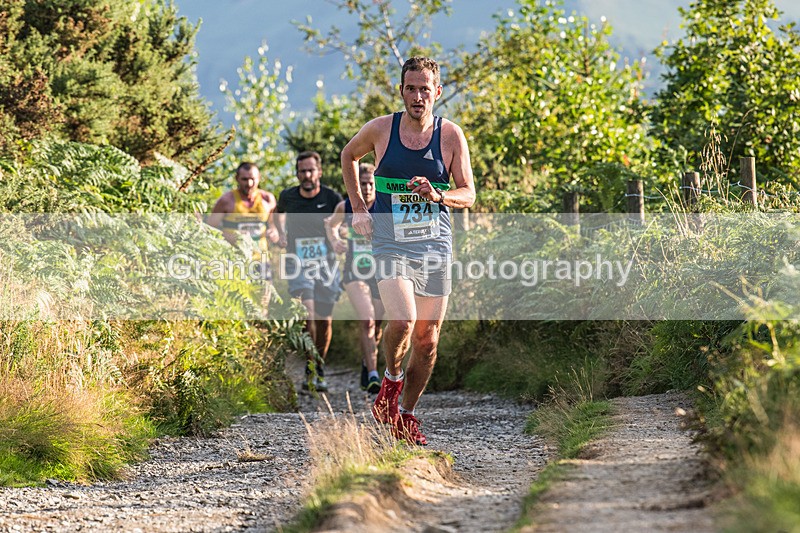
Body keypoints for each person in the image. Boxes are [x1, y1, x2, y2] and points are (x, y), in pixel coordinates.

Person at [340, 57, 476, 445]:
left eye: (425, 88)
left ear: (438, 91)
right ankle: (391, 381)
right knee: (401, 322)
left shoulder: (450, 136)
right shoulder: (381, 129)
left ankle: (406, 414)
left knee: (428, 339)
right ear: (401, 91)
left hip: (434, 242)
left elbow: (468, 192)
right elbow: (348, 157)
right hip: (390, 239)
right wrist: (359, 210)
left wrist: (440, 194)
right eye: (411, 88)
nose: (418, 96)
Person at [276, 151, 343, 392]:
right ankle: (310, 366)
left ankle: (319, 367)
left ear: (319, 172)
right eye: (302, 171)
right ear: (297, 174)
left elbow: (341, 224)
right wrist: (280, 233)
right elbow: (276, 214)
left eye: (310, 170)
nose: (306, 175)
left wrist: (338, 238)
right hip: (298, 262)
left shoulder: (331, 197)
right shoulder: (288, 196)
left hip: (325, 265)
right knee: (308, 313)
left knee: (324, 320)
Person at [325, 163, 385, 394]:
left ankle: (366, 362)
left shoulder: (384, 205)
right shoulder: (346, 205)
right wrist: (335, 240)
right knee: (368, 319)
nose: (368, 188)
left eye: (371, 184)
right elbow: (330, 225)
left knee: (377, 324)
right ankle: (373, 375)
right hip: (355, 271)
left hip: (382, 271)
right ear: (355, 186)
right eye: (362, 184)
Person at [207, 162, 278, 298]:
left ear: (259, 178)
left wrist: (274, 232)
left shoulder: (267, 199)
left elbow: (273, 225)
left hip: (260, 258)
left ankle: (260, 319)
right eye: (245, 179)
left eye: (253, 179)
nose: (249, 183)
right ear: (237, 179)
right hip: (234, 259)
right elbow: (210, 229)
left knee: (263, 300)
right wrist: (229, 237)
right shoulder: (226, 200)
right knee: (237, 302)